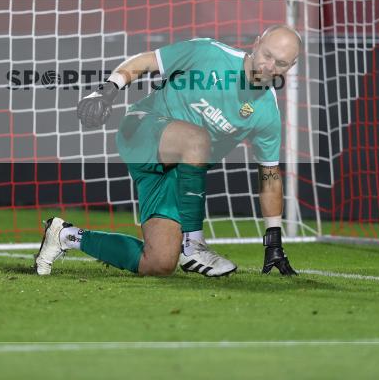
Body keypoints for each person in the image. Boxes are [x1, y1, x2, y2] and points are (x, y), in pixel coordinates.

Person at [35, 25, 300, 277]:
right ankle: (193, 243)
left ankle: (65, 235)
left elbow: (270, 176)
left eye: (281, 63)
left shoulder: (267, 114)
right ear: (256, 44)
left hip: (176, 173)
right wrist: (106, 91)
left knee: (159, 262)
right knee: (197, 139)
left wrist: (273, 241)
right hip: (144, 128)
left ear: (291, 67)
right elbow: (147, 61)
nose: (269, 67)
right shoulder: (209, 53)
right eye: (267, 55)